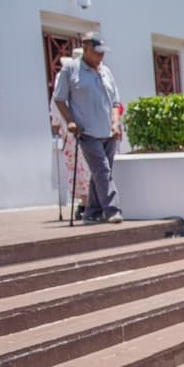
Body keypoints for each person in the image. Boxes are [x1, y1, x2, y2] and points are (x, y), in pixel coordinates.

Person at [52, 32, 123, 224]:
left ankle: (91, 213)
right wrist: (70, 121)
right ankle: (112, 210)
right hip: (87, 131)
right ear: (86, 49)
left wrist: (116, 123)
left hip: (109, 131)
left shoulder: (106, 71)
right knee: (102, 170)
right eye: (97, 52)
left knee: (100, 173)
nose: (101, 57)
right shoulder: (70, 71)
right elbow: (59, 99)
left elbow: (115, 102)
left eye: (103, 53)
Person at [50, 49, 90, 219]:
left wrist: (57, 123)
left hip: (80, 129)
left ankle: (87, 202)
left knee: (83, 166)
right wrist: (60, 122)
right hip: (76, 130)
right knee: (82, 167)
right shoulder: (65, 76)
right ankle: (86, 202)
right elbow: (58, 101)